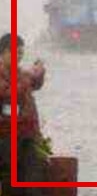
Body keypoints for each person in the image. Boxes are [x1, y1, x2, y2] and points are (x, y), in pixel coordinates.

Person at [0, 34, 45, 195]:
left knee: (35, 177)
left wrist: (39, 72)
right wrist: (27, 80)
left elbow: (35, 83)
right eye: (16, 53)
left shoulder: (21, 74)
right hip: (6, 138)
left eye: (21, 53)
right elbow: (8, 93)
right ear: (4, 53)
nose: (19, 57)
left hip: (27, 135)